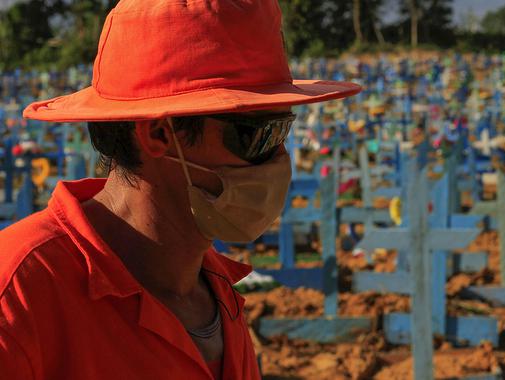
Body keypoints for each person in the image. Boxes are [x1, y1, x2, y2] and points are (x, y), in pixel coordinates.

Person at [0, 0, 360, 379]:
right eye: (256, 135)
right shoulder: (20, 295)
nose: (279, 158)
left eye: (282, 130)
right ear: (158, 133)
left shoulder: (217, 292)